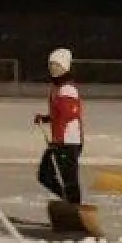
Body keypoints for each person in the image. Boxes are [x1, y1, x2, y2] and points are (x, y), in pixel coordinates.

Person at [33, 47, 84, 204]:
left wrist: (58, 140)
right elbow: (59, 115)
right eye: (51, 65)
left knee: (69, 180)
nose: (53, 68)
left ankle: (75, 210)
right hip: (60, 141)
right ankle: (69, 202)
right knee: (46, 174)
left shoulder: (68, 88)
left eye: (57, 65)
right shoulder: (57, 87)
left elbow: (68, 116)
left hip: (68, 142)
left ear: (65, 67)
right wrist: (46, 118)